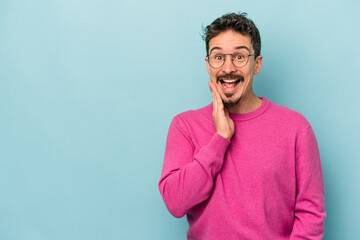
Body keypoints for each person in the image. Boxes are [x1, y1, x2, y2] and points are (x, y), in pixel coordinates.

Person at [158, 12, 326, 240]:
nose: (228, 68)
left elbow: (311, 215)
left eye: (239, 57)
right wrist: (220, 139)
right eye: (219, 57)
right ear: (208, 64)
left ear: (257, 64)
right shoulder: (184, 126)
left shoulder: (296, 128)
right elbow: (176, 203)